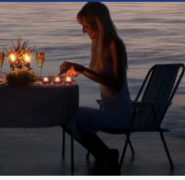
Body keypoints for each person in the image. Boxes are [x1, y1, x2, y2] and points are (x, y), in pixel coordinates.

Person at [59, 2, 132, 175]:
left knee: (66, 115)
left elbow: (117, 84)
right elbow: (104, 80)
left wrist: (83, 70)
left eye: (85, 25)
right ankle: (104, 154)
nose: (83, 30)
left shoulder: (115, 44)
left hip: (120, 116)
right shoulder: (100, 45)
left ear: (97, 22)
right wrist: (81, 70)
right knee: (64, 114)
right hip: (108, 110)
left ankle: (105, 154)